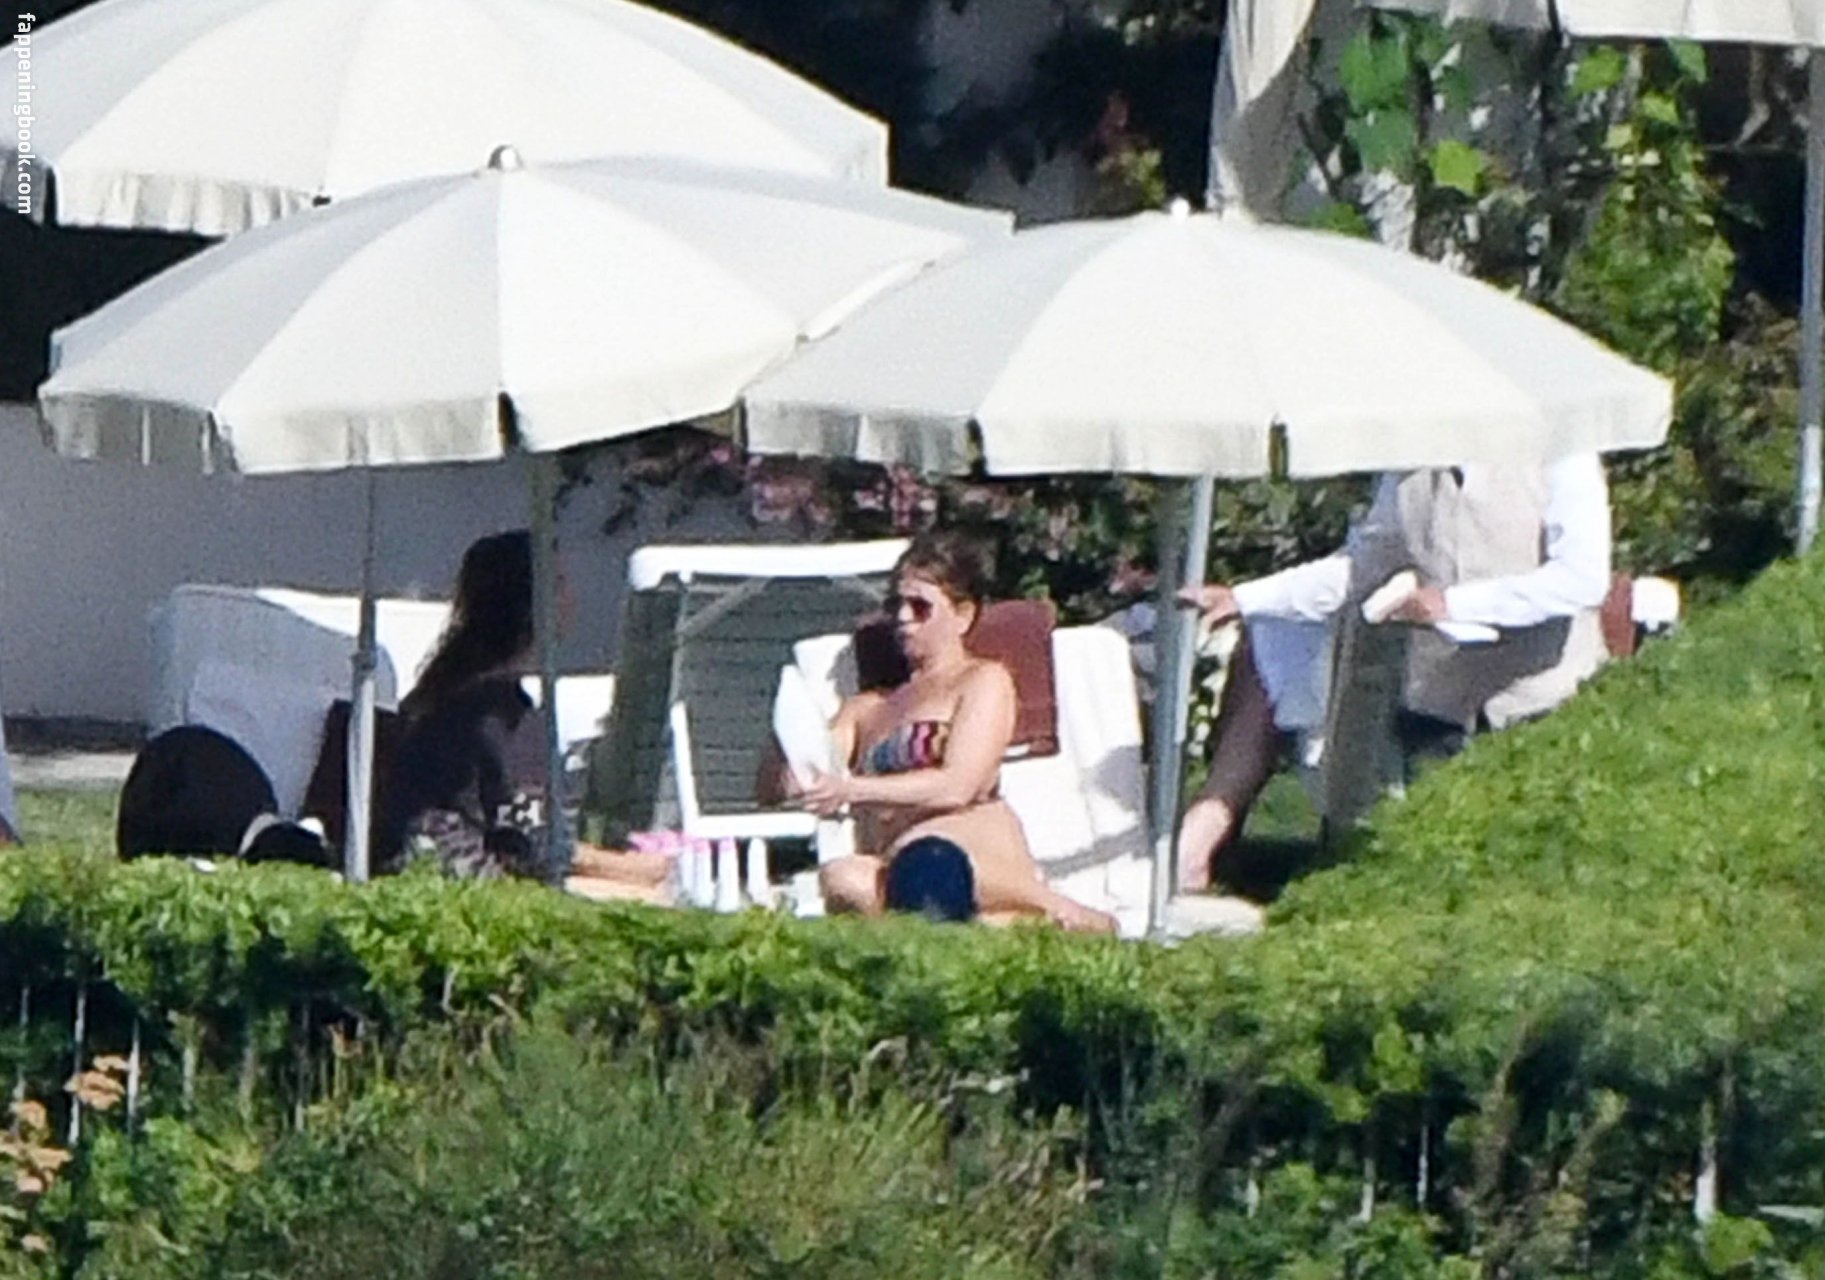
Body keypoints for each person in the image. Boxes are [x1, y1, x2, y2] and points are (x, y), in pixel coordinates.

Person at [1177, 454, 1613, 893]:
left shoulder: (1561, 452)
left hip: (1542, 707)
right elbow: (1364, 565)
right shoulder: (1410, 463)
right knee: (1433, 872)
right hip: (1438, 709)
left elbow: (1582, 578)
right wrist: (1244, 598)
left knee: (1530, 873)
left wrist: (1455, 604)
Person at [792, 533, 1116, 932]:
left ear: (962, 616)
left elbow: (957, 787)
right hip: (894, 863)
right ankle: (1016, 923)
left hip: (964, 844)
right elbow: (801, 774)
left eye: (920, 606)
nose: (903, 618)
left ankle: (1053, 909)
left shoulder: (982, 681)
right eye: (895, 605)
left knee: (924, 863)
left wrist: (851, 790)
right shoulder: (866, 708)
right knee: (844, 879)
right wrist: (792, 749)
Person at [379, 530, 670, 899]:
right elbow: (530, 842)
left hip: (417, 871)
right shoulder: (499, 714)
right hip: (463, 885)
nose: (571, 597)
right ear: (530, 604)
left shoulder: (450, 688)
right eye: (559, 584)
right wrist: (639, 868)